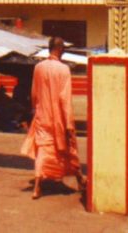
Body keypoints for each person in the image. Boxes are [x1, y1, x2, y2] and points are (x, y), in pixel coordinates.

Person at [20, 36, 86, 199]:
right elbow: (65, 98)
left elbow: (34, 94)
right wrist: (68, 123)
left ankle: (37, 187)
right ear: (60, 49)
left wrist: (35, 110)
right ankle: (80, 179)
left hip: (42, 116)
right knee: (69, 149)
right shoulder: (64, 69)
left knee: (43, 150)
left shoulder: (38, 67)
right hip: (59, 118)